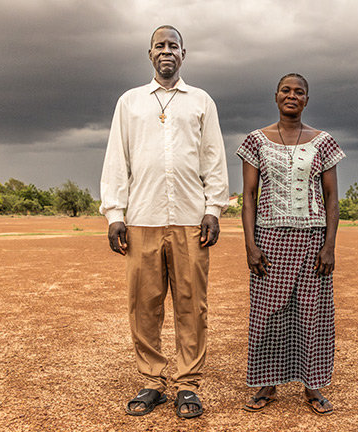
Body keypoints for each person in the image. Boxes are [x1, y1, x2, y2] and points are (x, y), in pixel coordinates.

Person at [99, 25, 229, 419]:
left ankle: (188, 383)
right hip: (142, 219)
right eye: (160, 46)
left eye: (173, 45)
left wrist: (213, 209)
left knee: (192, 305)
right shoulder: (130, 102)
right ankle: (152, 381)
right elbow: (116, 160)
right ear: (150, 54)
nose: (167, 51)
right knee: (144, 304)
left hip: (191, 219)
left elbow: (214, 158)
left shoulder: (201, 101)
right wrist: (114, 214)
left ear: (183, 54)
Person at [236, 73, 344, 416]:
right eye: (286, 90)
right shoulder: (256, 141)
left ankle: (313, 388)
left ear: (307, 100)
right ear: (276, 96)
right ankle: (267, 383)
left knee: (312, 312)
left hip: (313, 239)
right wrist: (251, 246)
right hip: (269, 238)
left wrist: (329, 246)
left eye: (300, 92)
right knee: (268, 312)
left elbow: (332, 198)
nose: (292, 95)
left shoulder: (323, 142)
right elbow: (249, 198)